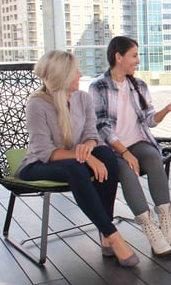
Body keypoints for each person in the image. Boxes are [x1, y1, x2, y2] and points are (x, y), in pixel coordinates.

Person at [15, 50, 139, 267]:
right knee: (76, 167)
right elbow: (45, 151)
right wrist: (87, 158)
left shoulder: (83, 98)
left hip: (75, 159)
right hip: (38, 164)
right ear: (61, 77)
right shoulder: (37, 104)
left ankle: (104, 229)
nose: (80, 75)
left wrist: (90, 147)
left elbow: (92, 134)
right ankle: (113, 235)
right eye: (75, 72)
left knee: (107, 156)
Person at [89, 36, 171, 256]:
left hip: (138, 142)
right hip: (111, 149)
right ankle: (150, 228)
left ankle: (166, 222)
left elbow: (148, 121)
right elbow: (102, 127)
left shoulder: (139, 85)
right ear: (118, 57)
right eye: (134, 56)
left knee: (154, 158)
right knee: (127, 172)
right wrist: (125, 153)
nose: (138, 61)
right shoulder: (98, 86)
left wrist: (168, 109)